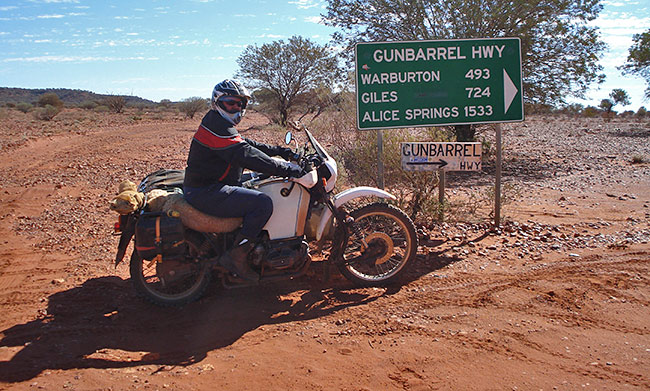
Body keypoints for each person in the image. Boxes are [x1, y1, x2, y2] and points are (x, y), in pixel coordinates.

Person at [183, 79, 304, 281]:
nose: (237, 107)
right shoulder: (216, 125)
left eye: (241, 104)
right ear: (217, 102)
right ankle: (237, 256)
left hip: (212, 184)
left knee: (261, 181)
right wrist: (285, 169)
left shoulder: (219, 123)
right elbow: (245, 154)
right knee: (262, 203)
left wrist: (281, 151)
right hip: (207, 191)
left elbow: (246, 144)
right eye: (231, 102)